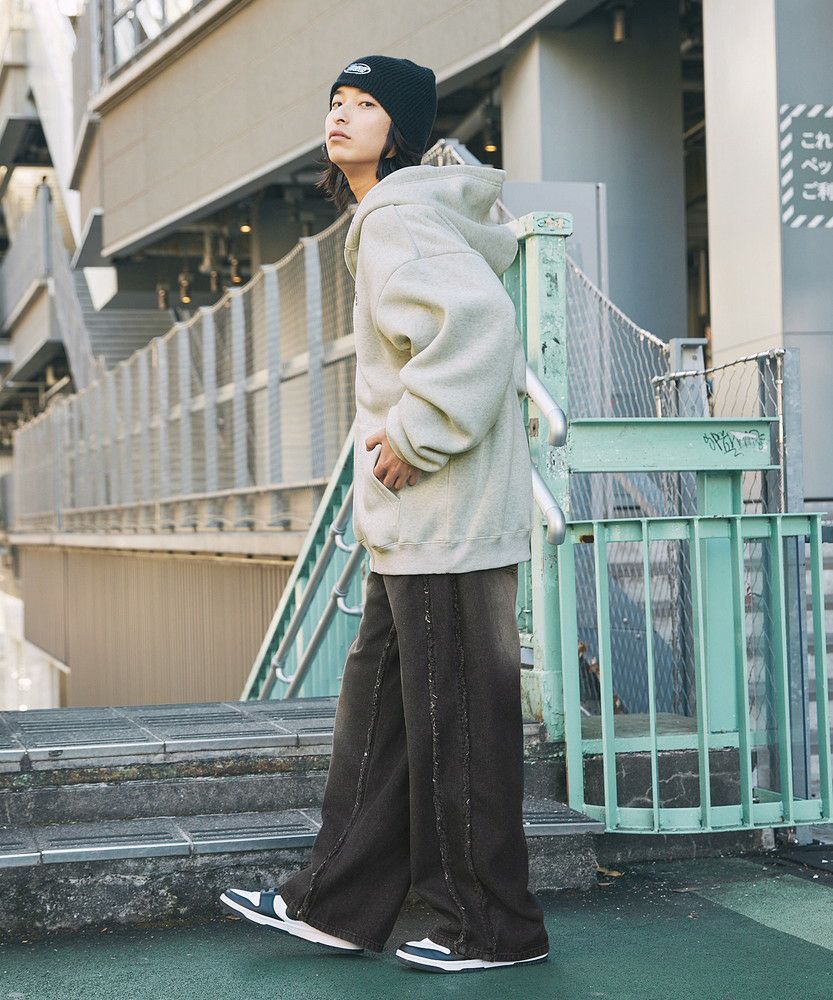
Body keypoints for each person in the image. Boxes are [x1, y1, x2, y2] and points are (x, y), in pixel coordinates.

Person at [220, 54, 549, 974]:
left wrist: (416, 431)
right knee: (384, 722)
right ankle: (337, 904)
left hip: (445, 520)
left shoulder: (399, 215)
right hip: (414, 526)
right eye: (336, 101)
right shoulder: (390, 215)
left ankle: (492, 928)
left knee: (458, 729)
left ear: (398, 130)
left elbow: (476, 326)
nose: (341, 116)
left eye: (365, 105)